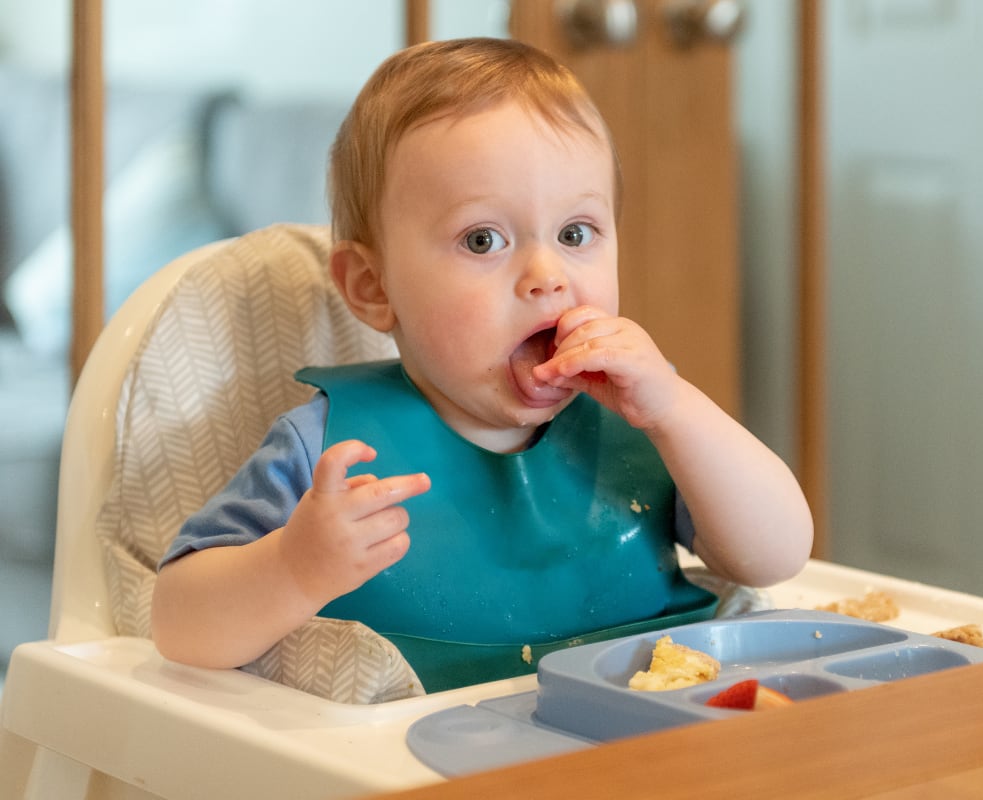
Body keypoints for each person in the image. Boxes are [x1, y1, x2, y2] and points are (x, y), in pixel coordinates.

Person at [150, 37, 813, 691]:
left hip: (645, 750)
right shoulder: (333, 453)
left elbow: (775, 556)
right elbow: (178, 626)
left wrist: (676, 408)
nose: (547, 276)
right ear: (373, 287)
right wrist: (294, 568)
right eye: (483, 239)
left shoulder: (646, 426)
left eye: (575, 233)